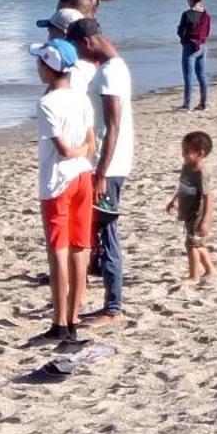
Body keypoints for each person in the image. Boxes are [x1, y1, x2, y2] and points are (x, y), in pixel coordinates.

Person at [30, 39, 96, 344]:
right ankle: (73, 319)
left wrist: (77, 151)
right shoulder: (81, 98)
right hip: (84, 176)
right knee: (80, 247)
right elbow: (89, 143)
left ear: (47, 66)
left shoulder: (47, 104)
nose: (36, 67)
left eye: (39, 62)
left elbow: (63, 150)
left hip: (58, 181)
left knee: (58, 250)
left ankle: (60, 323)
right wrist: (82, 151)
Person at [69, 20, 134, 327]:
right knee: (99, 232)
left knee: (107, 234)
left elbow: (113, 126)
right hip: (111, 164)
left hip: (110, 167)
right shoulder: (114, 65)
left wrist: (100, 174)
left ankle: (113, 307)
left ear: (85, 43)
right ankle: (108, 301)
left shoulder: (109, 73)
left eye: (78, 52)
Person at [168, 129, 216, 283]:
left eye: (187, 151)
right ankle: (211, 270)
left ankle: (194, 276)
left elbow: (208, 197)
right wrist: (174, 200)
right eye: (183, 150)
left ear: (200, 153)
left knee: (191, 246)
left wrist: (205, 220)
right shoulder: (186, 167)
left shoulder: (202, 172)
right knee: (198, 243)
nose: (183, 154)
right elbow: (182, 186)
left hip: (197, 214)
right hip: (187, 211)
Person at [177, 0, 212, 111]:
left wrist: (182, 37)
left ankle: (187, 105)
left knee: (188, 77)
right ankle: (203, 103)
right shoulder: (206, 15)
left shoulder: (187, 14)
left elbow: (181, 31)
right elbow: (207, 31)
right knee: (201, 75)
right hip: (202, 46)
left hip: (190, 47)